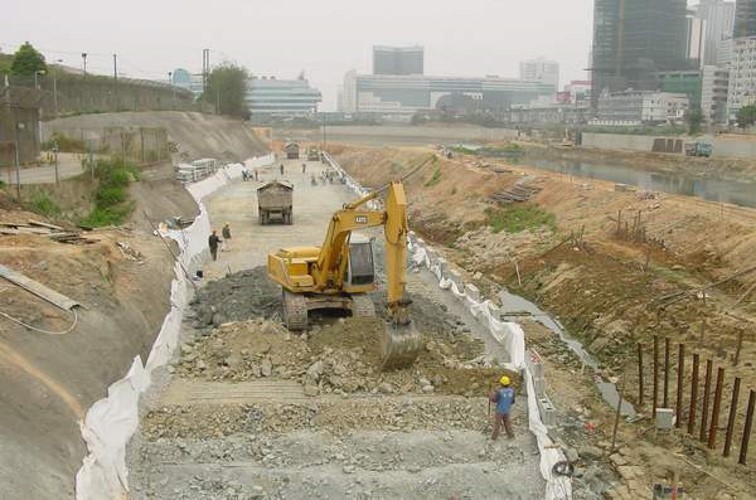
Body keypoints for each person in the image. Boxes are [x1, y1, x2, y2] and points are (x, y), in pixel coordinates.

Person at [489, 375, 515, 440]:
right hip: (507, 410)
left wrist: (490, 396)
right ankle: (511, 436)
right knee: (507, 424)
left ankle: (493, 438)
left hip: (499, 411)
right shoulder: (512, 391)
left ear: (501, 383)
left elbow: (494, 400)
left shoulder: (499, 392)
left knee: (497, 425)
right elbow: (512, 401)